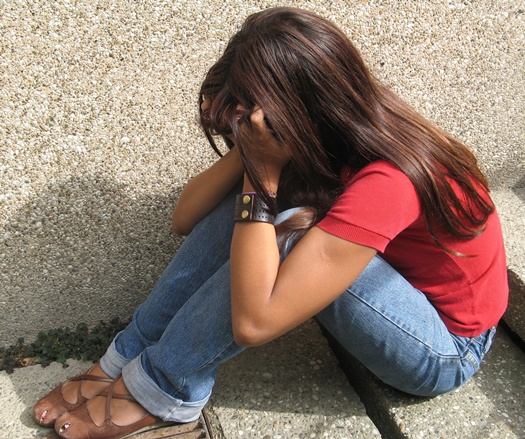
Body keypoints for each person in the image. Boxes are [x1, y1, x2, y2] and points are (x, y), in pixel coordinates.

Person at [32, 7, 508, 439]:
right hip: (394, 282)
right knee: (246, 206)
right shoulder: (330, 122)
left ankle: (163, 387)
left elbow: (254, 323)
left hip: (445, 347)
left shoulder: (388, 180)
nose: (241, 131)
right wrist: (250, 157)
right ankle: (125, 354)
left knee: (285, 223)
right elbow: (185, 217)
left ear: (293, 111)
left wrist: (261, 172)